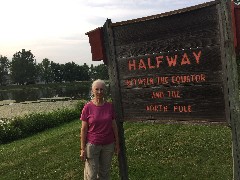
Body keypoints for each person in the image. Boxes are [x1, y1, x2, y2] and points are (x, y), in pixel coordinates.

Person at [80, 79, 120, 180]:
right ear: (92, 91)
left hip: (108, 145)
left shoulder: (109, 106)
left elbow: (114, 126)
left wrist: (117, 143)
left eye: (101, 89)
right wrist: (82, 148)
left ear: (105, 91)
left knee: (104, 173)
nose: (99, 92)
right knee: (91, 175)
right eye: (96, 89)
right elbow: (84, 129)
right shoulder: (87, 107)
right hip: (93, 145)